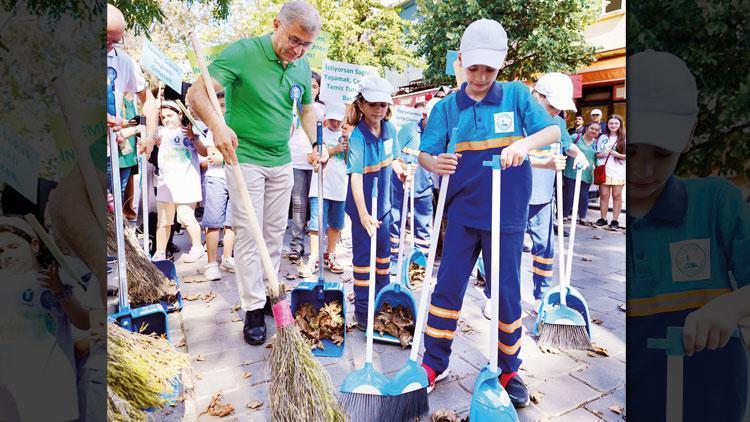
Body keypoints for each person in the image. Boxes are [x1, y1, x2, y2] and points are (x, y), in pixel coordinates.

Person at [417, 19, 561, 407]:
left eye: (489, 70)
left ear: (501, 65)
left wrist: (524, 145)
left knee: (507, 293)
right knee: (447, 287)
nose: (480, 77)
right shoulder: (447, 107)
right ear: (460, 62)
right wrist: (435, 163)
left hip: (508, 214)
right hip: (463, 214)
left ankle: (509, 367)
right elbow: (425, 152)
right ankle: (434, 362)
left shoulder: (515, 95)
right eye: (473, 68)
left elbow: (552, 133)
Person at [187, 0, 326, 346]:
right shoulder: (244, 52)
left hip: (281, 161)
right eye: (294, 40)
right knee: (249, 234)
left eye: (306, 44)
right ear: (276, 24)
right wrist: (218, 127)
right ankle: (251, 308)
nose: (299, 50)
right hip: (243, 158)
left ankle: (267, 292)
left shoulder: (300, 64)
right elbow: (196, 93)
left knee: (274, 232)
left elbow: (306, 108)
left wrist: (316, 142)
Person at [627, 50, 750, 422]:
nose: (644, 170)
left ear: (689, 133)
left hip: (710, 401)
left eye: (662, 154)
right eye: (630, 152)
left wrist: (731, 306)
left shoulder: (716, 203)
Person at [0, 217, 96, 421]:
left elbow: (83, 322)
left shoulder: (60, 279)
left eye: (13, 246)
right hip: (13, 395)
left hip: (53, 391)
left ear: (34, 245)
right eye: (1, 251)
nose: (7, 255)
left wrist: (60, 291)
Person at [345, 75, 408, 328]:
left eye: (383, 105)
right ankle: (362, 309)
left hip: (385, 206)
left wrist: (401, 169)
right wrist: (362, 214)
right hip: (363, 209)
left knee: (384, 256)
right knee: (363, 259)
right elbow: (356, 179)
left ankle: (382, 302)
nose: (379, 109)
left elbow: (393, 159)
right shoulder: (358, 138)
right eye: (373, 104)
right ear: (361, 105)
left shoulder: (390, 129)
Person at [151, 101, 208, 262]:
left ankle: (197, 248)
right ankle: (160, 252)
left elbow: (204, 152)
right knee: (163, 221)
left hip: (186, 183)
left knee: (186, 217)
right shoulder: (160, 132)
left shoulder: (192, 130)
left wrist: (193, 138)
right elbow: (144, 132)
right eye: (163, 117)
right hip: (165, 184)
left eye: (170, 115)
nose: (166, 119)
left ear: (180, 114)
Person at [300, 102, 349, 276]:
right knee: (316, 224)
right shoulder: (318, 135)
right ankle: (314, 257)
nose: (335, 124)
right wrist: (334, 150)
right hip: (320, 187)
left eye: (338, 120)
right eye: (332, 120)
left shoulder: (347, 136)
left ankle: (331, 254)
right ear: (327, 119)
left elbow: (351, 161)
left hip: (340, 187)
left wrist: (348, 144)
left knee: (336, 224)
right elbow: (311, 158)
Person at [390, 102, 434, 271]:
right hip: (400, 185)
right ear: (424, 116)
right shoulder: (408, 129)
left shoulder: (438, 134)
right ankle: (393, 259)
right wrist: (403, 167)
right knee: (395, 221)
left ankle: (420, 263)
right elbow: (394, 153)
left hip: (423, 187)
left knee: (423, 226)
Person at [288, 71, 325, 262]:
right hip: (295, 159)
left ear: (319, 90)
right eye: (307, 86)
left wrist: (319, 152)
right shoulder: (291, 106)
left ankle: (319, 249)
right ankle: (296, 245)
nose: (311, 90)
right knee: (298, 204)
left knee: (317, 204)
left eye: (315, 86)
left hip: (317, 162)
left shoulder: (322, 109)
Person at [201, 91, 236, 281]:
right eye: (220, 105)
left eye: (226, 105)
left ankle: (227, 257)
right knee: (214, 222)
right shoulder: (213, 130)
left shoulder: (238, 126)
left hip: (236, 179)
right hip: (217, 179)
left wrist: (225, 156)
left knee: (232, 222)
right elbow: (213, 156)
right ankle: (211, 263)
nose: (223, 109)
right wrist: (225, 156)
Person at [562, 123, 600, 225]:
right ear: (586, 128)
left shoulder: (596, 143)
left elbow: (596, 159)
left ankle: (582, 217)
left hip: (587, 174)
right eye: (592, 128)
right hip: (571, 171)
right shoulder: (576, 137)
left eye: (596, 130)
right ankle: (565, 216)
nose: (594, 131)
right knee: (569, 194)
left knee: (584, 196)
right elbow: (565, 147)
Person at [593, 114, 626, 230]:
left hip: (619, 170)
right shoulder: (602, 137)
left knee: (617, 196)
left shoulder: (625, 138)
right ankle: (603, 218)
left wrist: (617, 155)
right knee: (604, 195)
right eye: (611, 123)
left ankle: (615, 220)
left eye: (616, 123)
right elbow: (597, 154)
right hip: (604, 170)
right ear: (607, 124)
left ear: (620, 125)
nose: (613, 125)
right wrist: (604, 154)